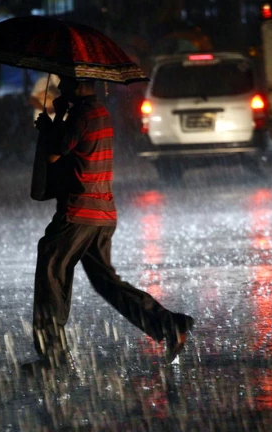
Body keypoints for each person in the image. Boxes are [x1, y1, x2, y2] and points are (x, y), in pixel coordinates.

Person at [31, 75, 194, 365]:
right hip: (102, 213)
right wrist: (60, 117)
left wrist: (50, 125)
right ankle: (168, 324)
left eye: (64, 82)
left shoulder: (83, 114)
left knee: (51, 270)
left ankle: (52, 355)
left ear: (78, 84)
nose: (61, 88)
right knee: (106, 282)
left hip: (79, 212)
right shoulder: (100, 113)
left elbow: (55, 154)